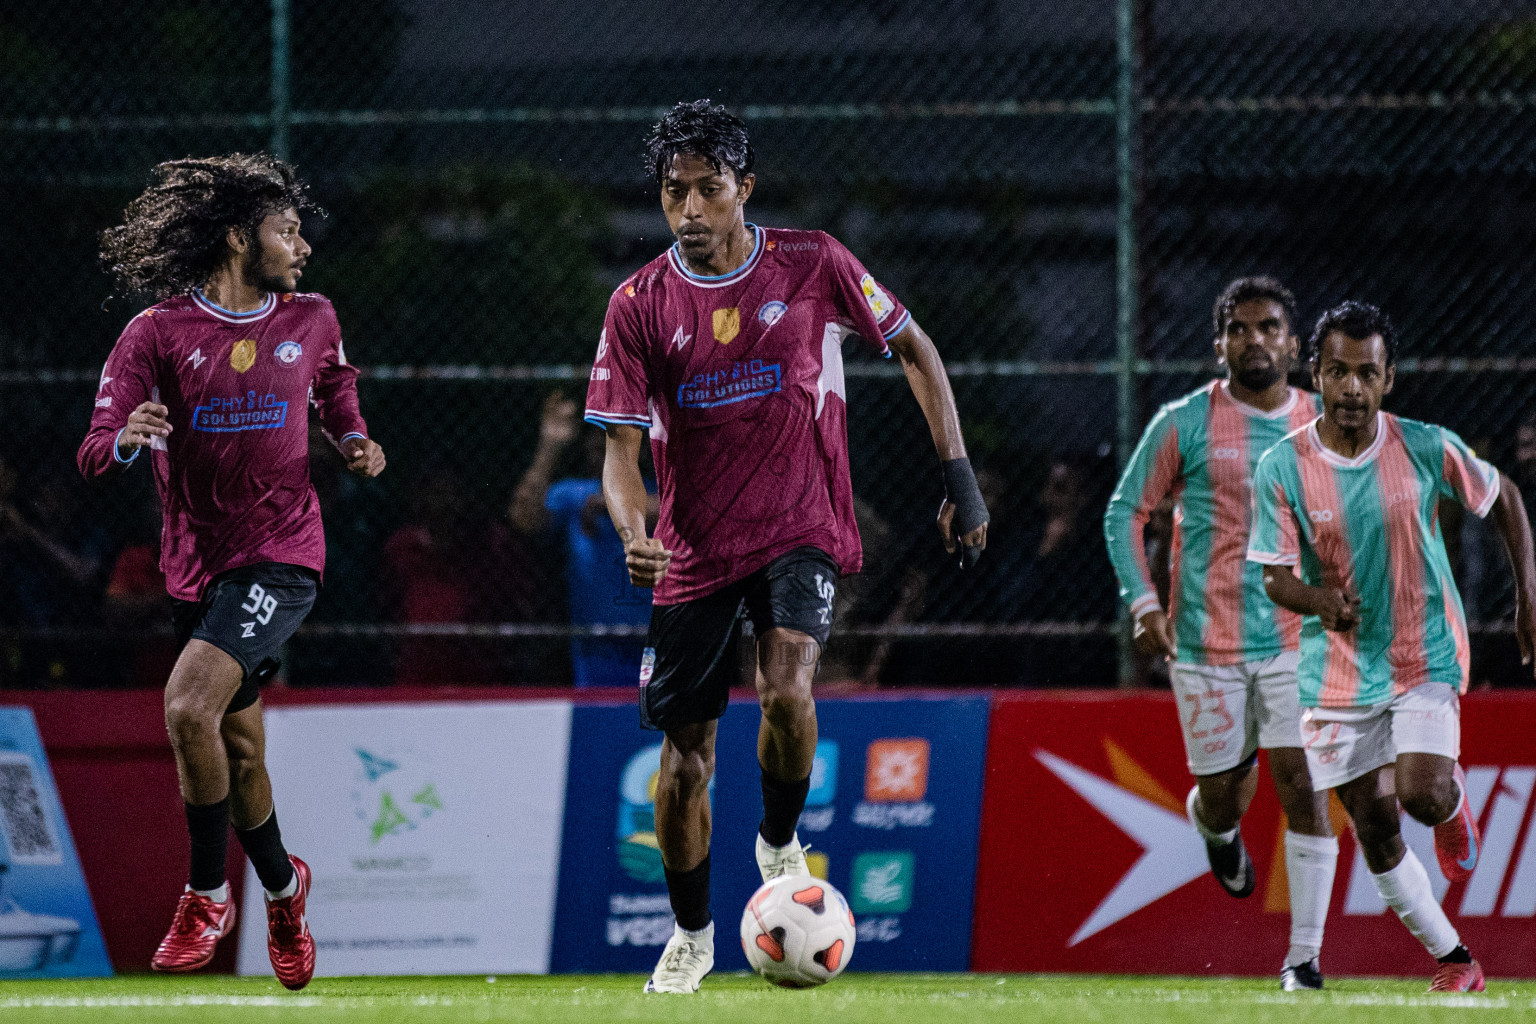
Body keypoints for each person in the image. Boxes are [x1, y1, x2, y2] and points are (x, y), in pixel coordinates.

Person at [584, 100, 989, 993]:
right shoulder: (640, 305)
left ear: (745, 189)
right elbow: (617, 450)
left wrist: (958, 478)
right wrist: (631, 529)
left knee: (788, 685)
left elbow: (916, 349)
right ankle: (691, 934)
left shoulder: (814, 263)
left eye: (708, 189)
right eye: (673, 192)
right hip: (691, 549)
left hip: (799, 525)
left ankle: (777, 841)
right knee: (685, 756)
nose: (689, 209)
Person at [78, 154, 387, 990]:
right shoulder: (157, 333)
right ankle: (286, 891)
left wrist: (351, 437)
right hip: (195, 568)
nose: (302, 247)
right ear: (236, 236)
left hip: (282, 553)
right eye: (287, 230)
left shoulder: (312, 316)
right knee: (240, 749)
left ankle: (208, 894)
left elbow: (336, 386)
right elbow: (94, 447)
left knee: (186, 707)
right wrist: (126, 440)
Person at [1249, 300, 1536, 993]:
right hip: (1336, 673)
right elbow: (1275, 578)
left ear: (1388, 379)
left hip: (1422, 651)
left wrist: (1529, 597)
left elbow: (1505, 500)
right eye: (1338, 372)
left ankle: (1451, 801)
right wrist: (1320, 601)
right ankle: (1457, 961)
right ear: (1314, 374)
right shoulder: (1282, 466)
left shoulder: (1427, 446)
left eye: (1366, 374)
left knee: (1421, 794)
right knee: (1374, 824)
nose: (1351, 388)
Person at [1104, 277, 1336, 990]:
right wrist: (1143, 604)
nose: (1254, 339)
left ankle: (1304, 958)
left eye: (1269, 327)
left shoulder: (1327, 423)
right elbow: (1124, 514)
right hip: (1205, 645)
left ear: (1294, 345)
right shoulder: (1184, 422)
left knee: (1302, 781)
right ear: (1220, 345)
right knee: (1225, 791)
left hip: (1298, 639)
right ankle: (1218, 831)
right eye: (1239, 328)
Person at [509, 390, 653, 686]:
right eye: (599, 440)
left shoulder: (657, 489)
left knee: (657, 724)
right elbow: (523, 517)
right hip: (594, 646)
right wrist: (549, 446)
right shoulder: (573, 494)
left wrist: (610, 503)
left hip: (658, 643)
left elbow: (683, 512)